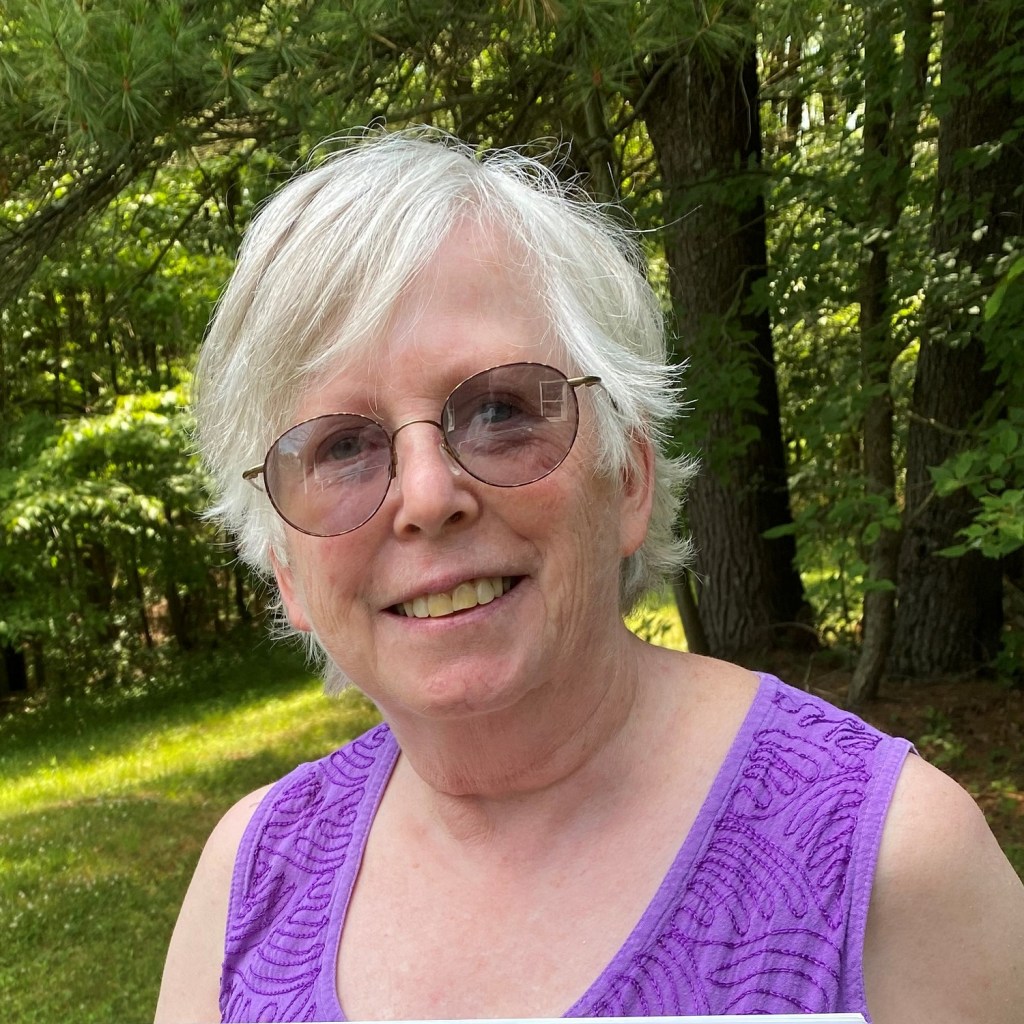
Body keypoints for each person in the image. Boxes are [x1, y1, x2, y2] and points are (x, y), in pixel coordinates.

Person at [155, 128, 1024, 1024]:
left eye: (500, 409)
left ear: (630, 477)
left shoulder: (888, 867)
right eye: (341, 448)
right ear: (286, 569)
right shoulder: (248, 886)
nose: (427, 496)